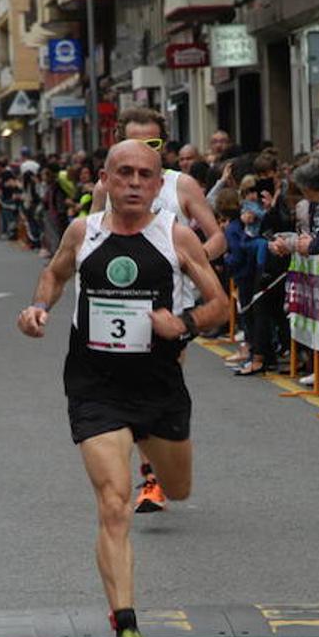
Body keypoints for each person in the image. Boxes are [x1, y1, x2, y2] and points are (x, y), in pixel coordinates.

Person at [14, 140, 227, 637]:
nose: (133, 183)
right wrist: (38, 307)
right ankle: (126, 625)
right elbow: (56, 274)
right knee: (114, 503)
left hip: (159, 387)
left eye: (144, 175)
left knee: (178, 487)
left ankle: (155, 460)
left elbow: (220, 304)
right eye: (123, 173)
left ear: (159, 185)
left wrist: (184, 323)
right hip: (96, 386)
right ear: (105, 180)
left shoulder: (175, 236)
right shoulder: (82, 232)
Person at [90, 107, 225, 514]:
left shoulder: (181, 185)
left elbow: (217, 237)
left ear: (163, 145)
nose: (143, 150)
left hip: (172, 310)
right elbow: (90, 243)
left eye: (152, 143)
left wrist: (186, 261)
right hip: (118, 305)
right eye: (134, 142)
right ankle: (143, 473)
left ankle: (153, 476)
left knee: (154, 387)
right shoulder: (106, 188)